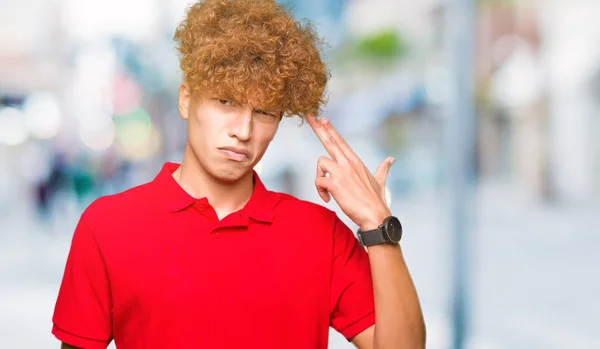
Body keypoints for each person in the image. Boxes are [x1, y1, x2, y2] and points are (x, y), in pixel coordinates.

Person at [52, 0, 425, 348]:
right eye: (225, 101)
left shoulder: (320, 236)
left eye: (264, 112)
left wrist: (379, 226)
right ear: (186, 99)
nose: (243, 130)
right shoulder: (107, 227)